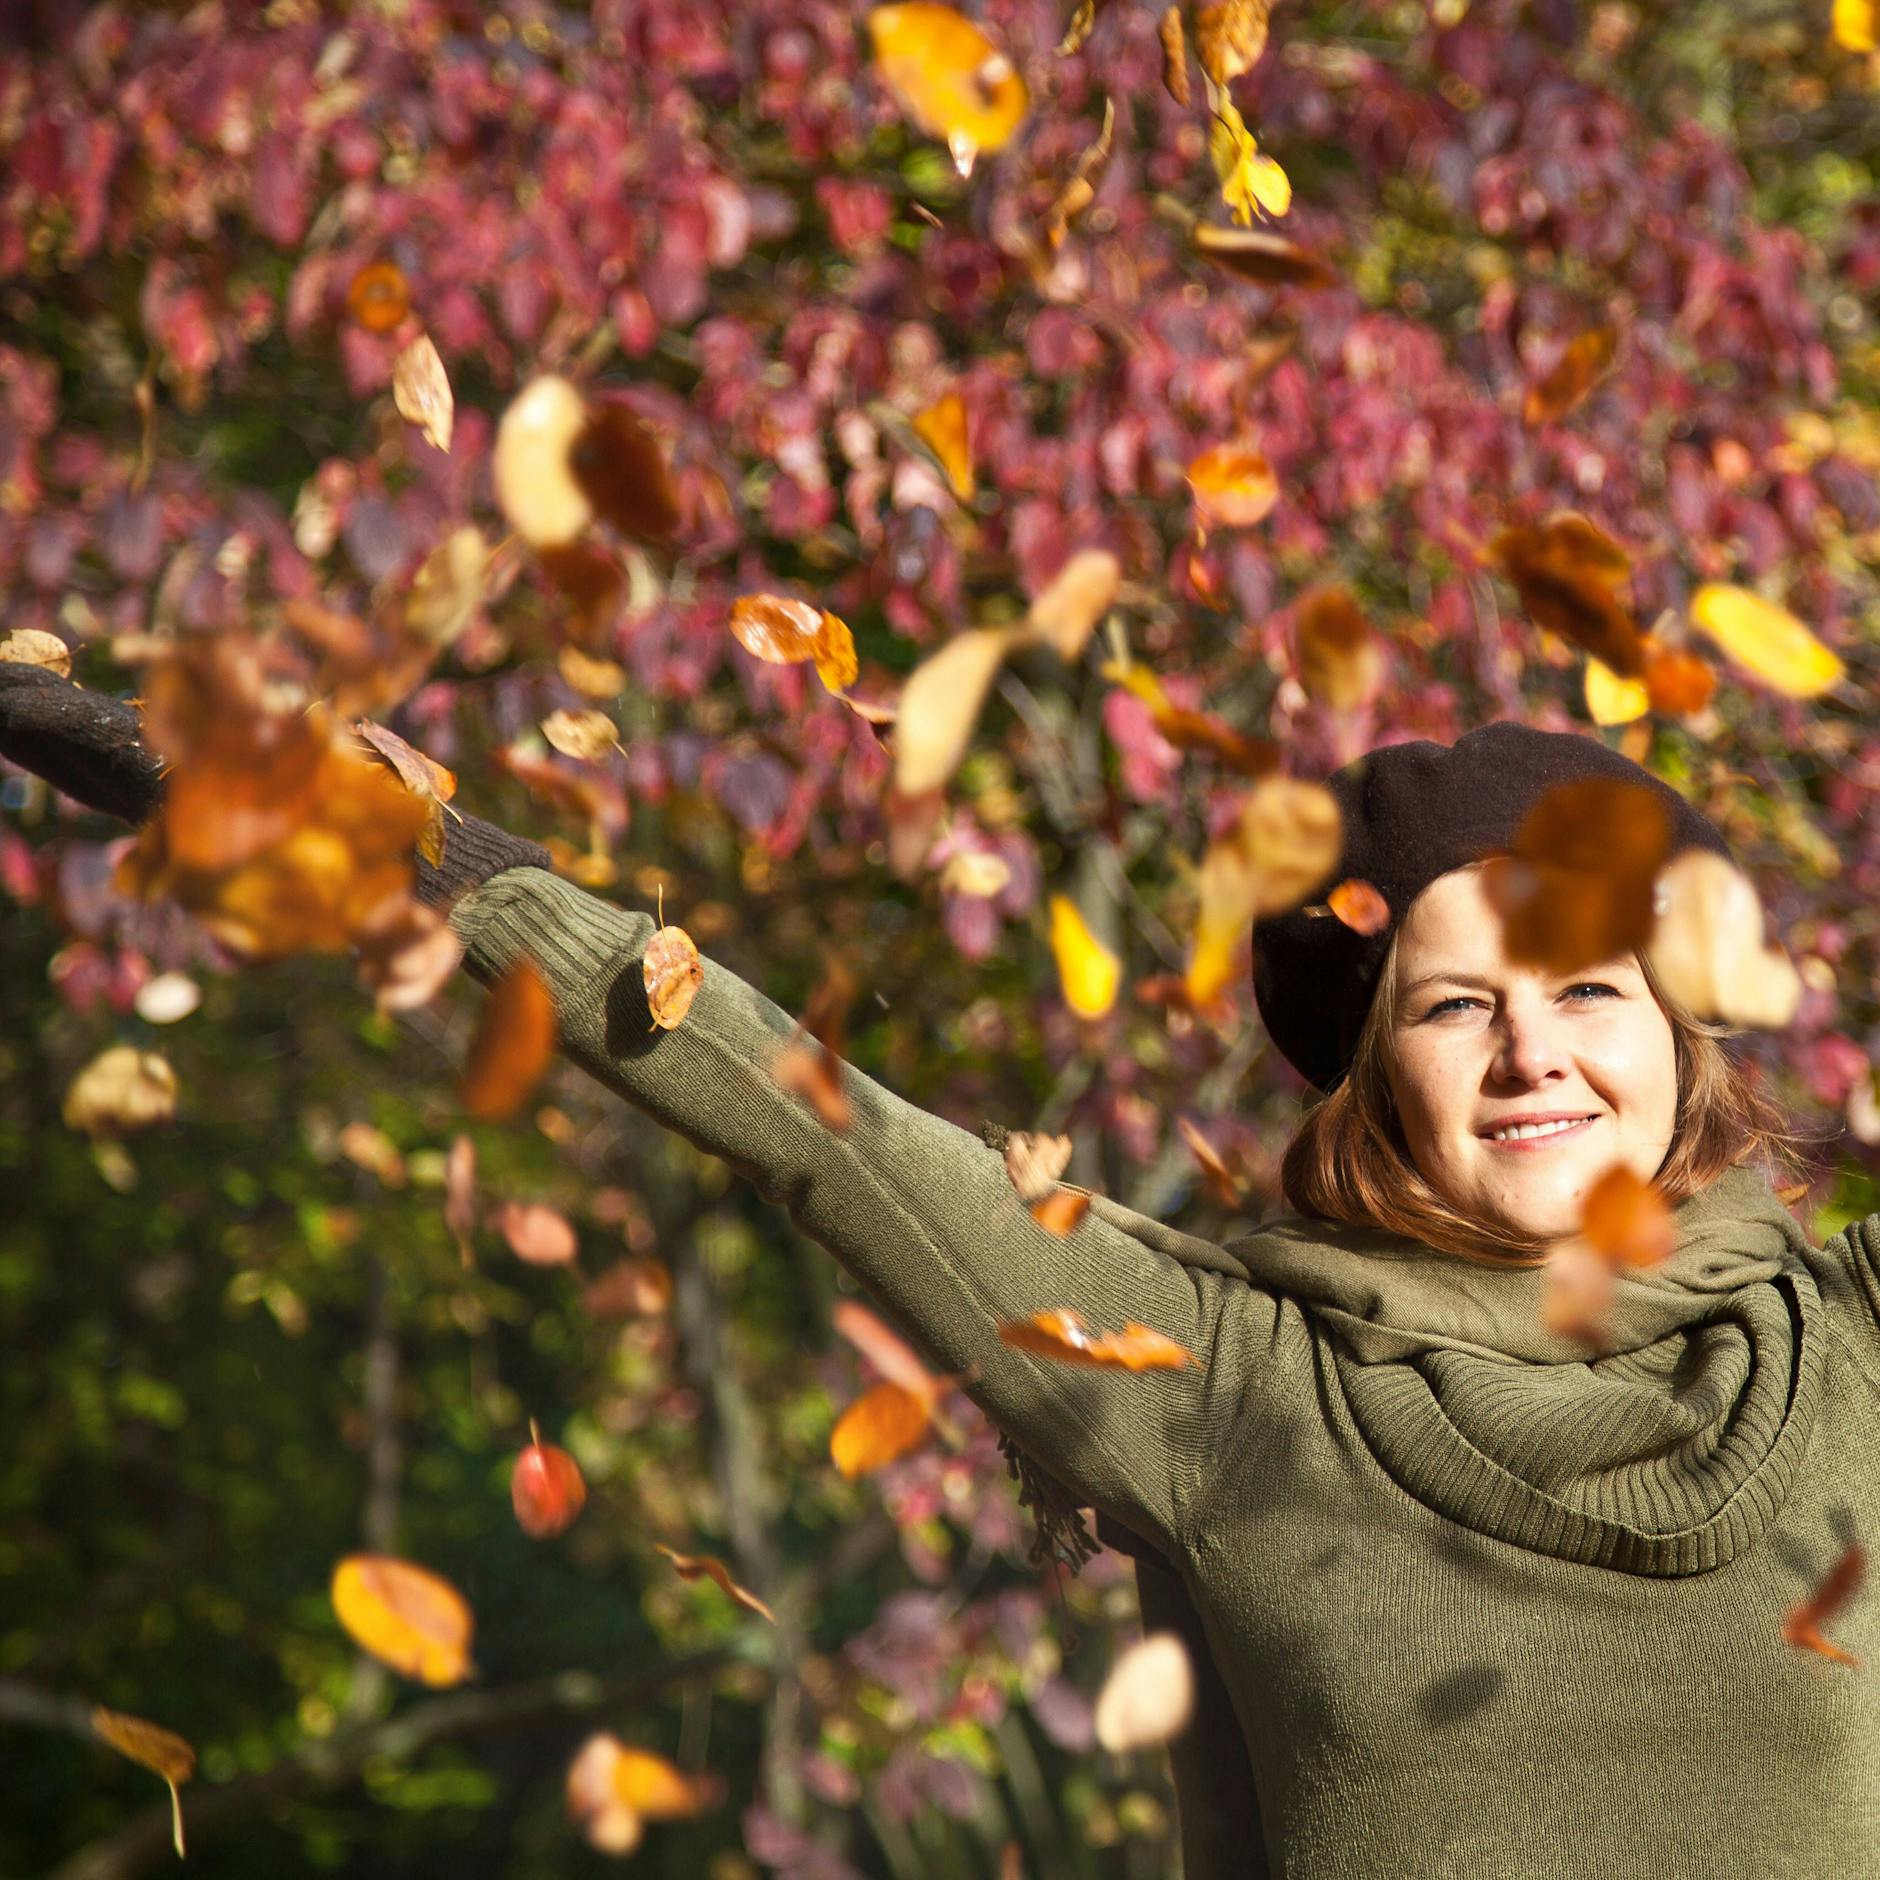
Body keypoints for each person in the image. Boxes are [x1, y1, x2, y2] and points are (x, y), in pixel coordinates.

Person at [3, 673, 1875, 1878]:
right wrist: (398, 848)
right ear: (1374, 1066)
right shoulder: (1224, 1382)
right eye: (1460, 1004)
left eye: (1590, 991)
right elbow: (815, 1126)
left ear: (1682, 1034)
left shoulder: (1851, 1348)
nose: (1535, 1053)